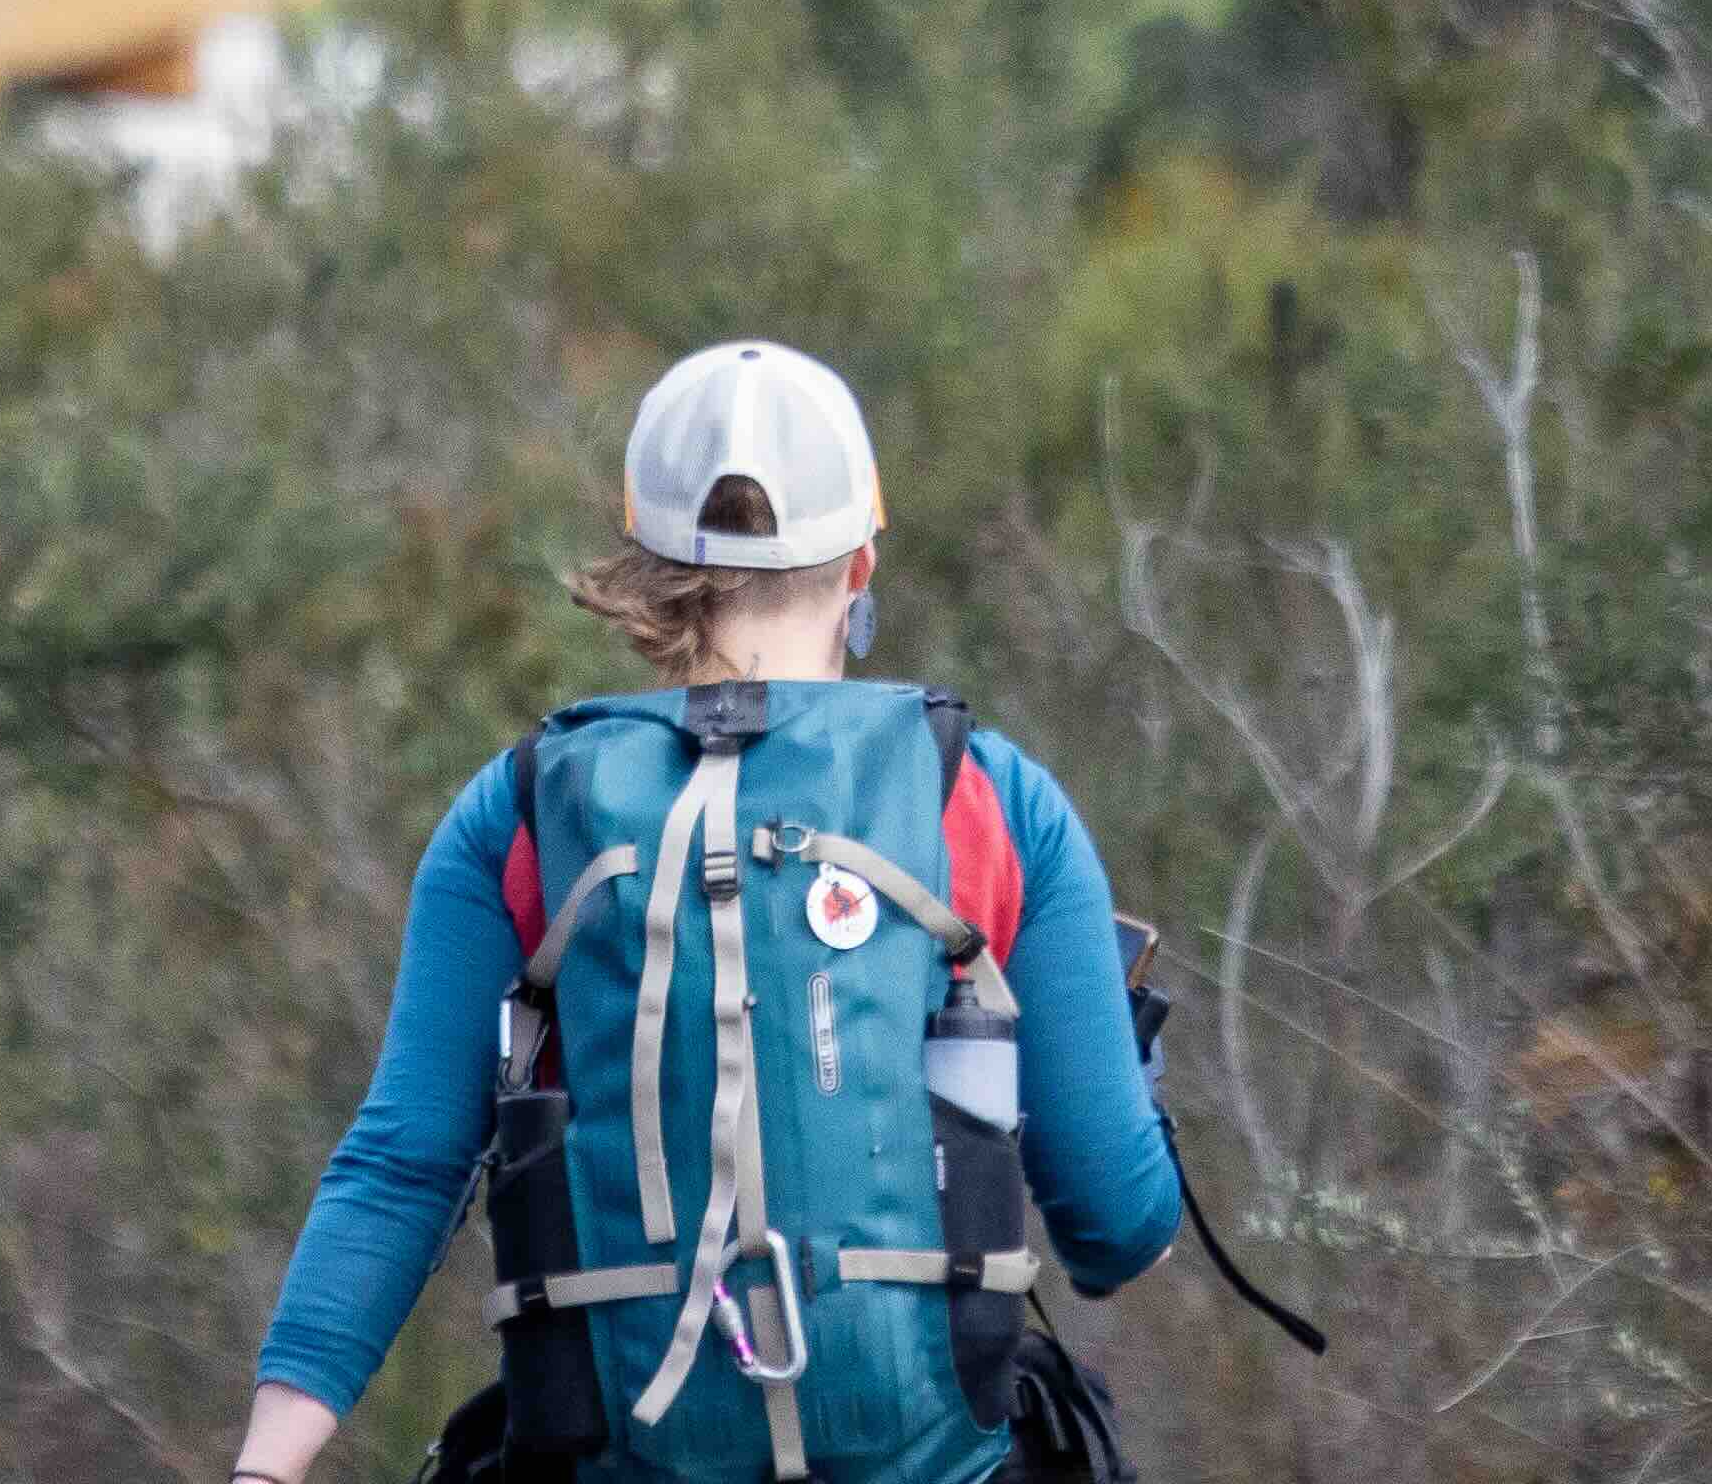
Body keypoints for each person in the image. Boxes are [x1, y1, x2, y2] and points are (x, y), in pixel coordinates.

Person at [226, 342, 1185, 1484]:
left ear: (650, 569)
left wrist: (265, 1464)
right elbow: (1119, 1227)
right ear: (861, 562)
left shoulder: (524, 807)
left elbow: (402, 1164)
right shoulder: (987, 797)